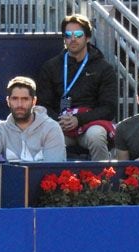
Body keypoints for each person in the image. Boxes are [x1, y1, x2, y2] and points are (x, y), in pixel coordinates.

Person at [0, 76, 66, 208]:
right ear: (8, 101)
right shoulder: (2, 129)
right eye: (15, 99)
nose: (19, 104)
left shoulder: (51, 127)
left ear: (34, 101)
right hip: (11, 187)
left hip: (43, 190)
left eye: (25, 99)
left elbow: (54, 170)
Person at [37, 13, 117, 161]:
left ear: (87, 37)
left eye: (78, 34)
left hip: (90, 124)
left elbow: (109, 108)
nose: (73, 39)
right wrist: (58, 121)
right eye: (68, 35)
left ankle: (104, 180)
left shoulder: (103, 68)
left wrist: (79, 120)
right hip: (60, 125)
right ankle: (52, 182)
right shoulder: (51, 67)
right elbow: (42, 104)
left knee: (97, 136)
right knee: (43, 139)